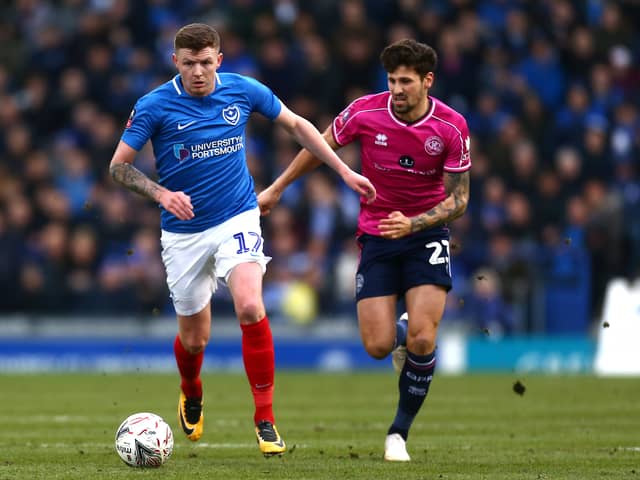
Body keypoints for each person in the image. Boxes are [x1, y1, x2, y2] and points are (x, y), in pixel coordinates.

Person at [109, 23, 375, 457]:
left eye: (206, 62)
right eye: (189, 63)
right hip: (184, 234)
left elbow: (298, 126)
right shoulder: (154, 105)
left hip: (238, 215)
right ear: (175, 62)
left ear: (220, 59)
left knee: (251, 305)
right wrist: (161, 193)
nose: (198, 71)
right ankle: (191, 390)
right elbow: (118, 167)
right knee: (195, 339)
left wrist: (343, 171)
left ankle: (265, 419)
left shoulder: (242, 90)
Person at [258, 38, 471, 461]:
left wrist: (415, 222)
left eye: (406, 81)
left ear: (427, 81)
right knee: (376, 346)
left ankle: (398, 434)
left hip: (425, 235)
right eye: (392, 80)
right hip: (376, 236)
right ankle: (398, 339)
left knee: (424, 337)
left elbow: (459, 199)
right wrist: (278, 188)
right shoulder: (364, 111)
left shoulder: (450, 127)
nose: (397, 89)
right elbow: (319, 147)